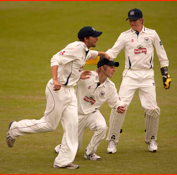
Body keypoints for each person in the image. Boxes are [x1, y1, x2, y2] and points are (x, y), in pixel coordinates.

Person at [6, 26, 110, 169]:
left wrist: (102, 53)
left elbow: (89, 55)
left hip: (70, 93)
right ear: (86, 39)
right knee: (49, 125)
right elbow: (55, 58)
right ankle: (15, 129)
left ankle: (63, 161)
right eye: (94, 36)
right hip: (58, 89)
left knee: (73, 126)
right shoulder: (75, 47)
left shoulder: (85, 50)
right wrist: (55, 79)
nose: (97, 38)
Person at [105, 8, 171, 153]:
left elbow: (162, 53)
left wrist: (165, 73)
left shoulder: (152, 34)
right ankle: (112, 140)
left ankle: (151, 139)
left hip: (147, 75)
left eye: (134, 20)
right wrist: (101, 56)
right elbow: (113, 51)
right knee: (119, 106)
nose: (131, 23)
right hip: (130, 75)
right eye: (130, 20)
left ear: (141, 20)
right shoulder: (124, 36)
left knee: (152, 109)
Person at [54, 57, 126, 160]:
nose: (114, 69)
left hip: (92, 113)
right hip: (75, 114)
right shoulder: (86, 76)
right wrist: (78, 77)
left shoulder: (110, 86)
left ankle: (89, 153)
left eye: (114, 67)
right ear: (102, 68)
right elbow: (65, 79)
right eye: (111, 67)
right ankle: (63, 145)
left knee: (102, 127)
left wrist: (119, 106)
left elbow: (115, 102)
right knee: (74, 148)